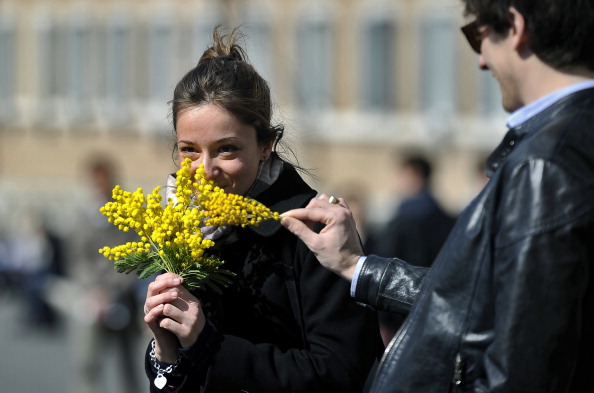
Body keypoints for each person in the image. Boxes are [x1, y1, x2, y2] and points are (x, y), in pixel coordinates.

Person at [280, 0, 594, 391]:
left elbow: (521, 367)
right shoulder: (564, 144)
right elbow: (476, 299)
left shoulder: (545, 163)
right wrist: (355, 265)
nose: (480, 61)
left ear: (515, 27)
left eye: (477, 36)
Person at [142, 27, 382, 393]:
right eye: (189, 149)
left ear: (266, 145)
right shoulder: (180, 231)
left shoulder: (312, 230)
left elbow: (344, 373)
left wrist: (208, 344)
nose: (205, 170)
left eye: (226, 150)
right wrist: (165, 350)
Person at [69, 156, 141, 393]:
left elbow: (136, 256)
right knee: (87, 360)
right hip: (91, 297)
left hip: (120, 294)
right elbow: (78, 259)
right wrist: (93, 289)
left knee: (128, 360)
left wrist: (112, 288)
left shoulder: (128, 213)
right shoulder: (83, 215)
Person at [367, 154, 455, 344]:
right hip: (439, 309)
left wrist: (382, 320)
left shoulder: (403, 221)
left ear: (415, 175)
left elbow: (385, 267)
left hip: (401, 311)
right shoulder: (448, 219)